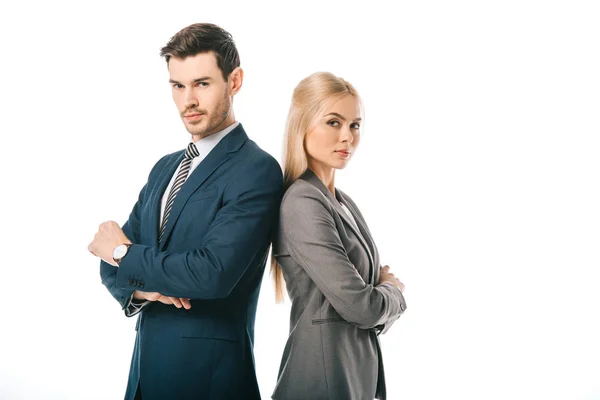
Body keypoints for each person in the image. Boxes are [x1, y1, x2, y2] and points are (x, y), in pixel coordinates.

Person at [87, 23, 282, 400]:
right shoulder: (165, 167)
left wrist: (125, 254)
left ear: (235, 81)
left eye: (202, 84)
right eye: (178, 86)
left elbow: (212, 274)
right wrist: (147, 292)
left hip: (208, 380)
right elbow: (107, 267)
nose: (187, 100)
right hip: (143, 377)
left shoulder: (256, 169)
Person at [270, 72, 407, 400]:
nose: (347, 136)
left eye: (355, 125)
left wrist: (377, 301)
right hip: (322, 379)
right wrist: (394, 291)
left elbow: (365, 309)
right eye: (334, 122)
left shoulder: (342, 202)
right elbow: (362, 307)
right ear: (303, 124)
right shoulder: (302, 201)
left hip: (352, 375)